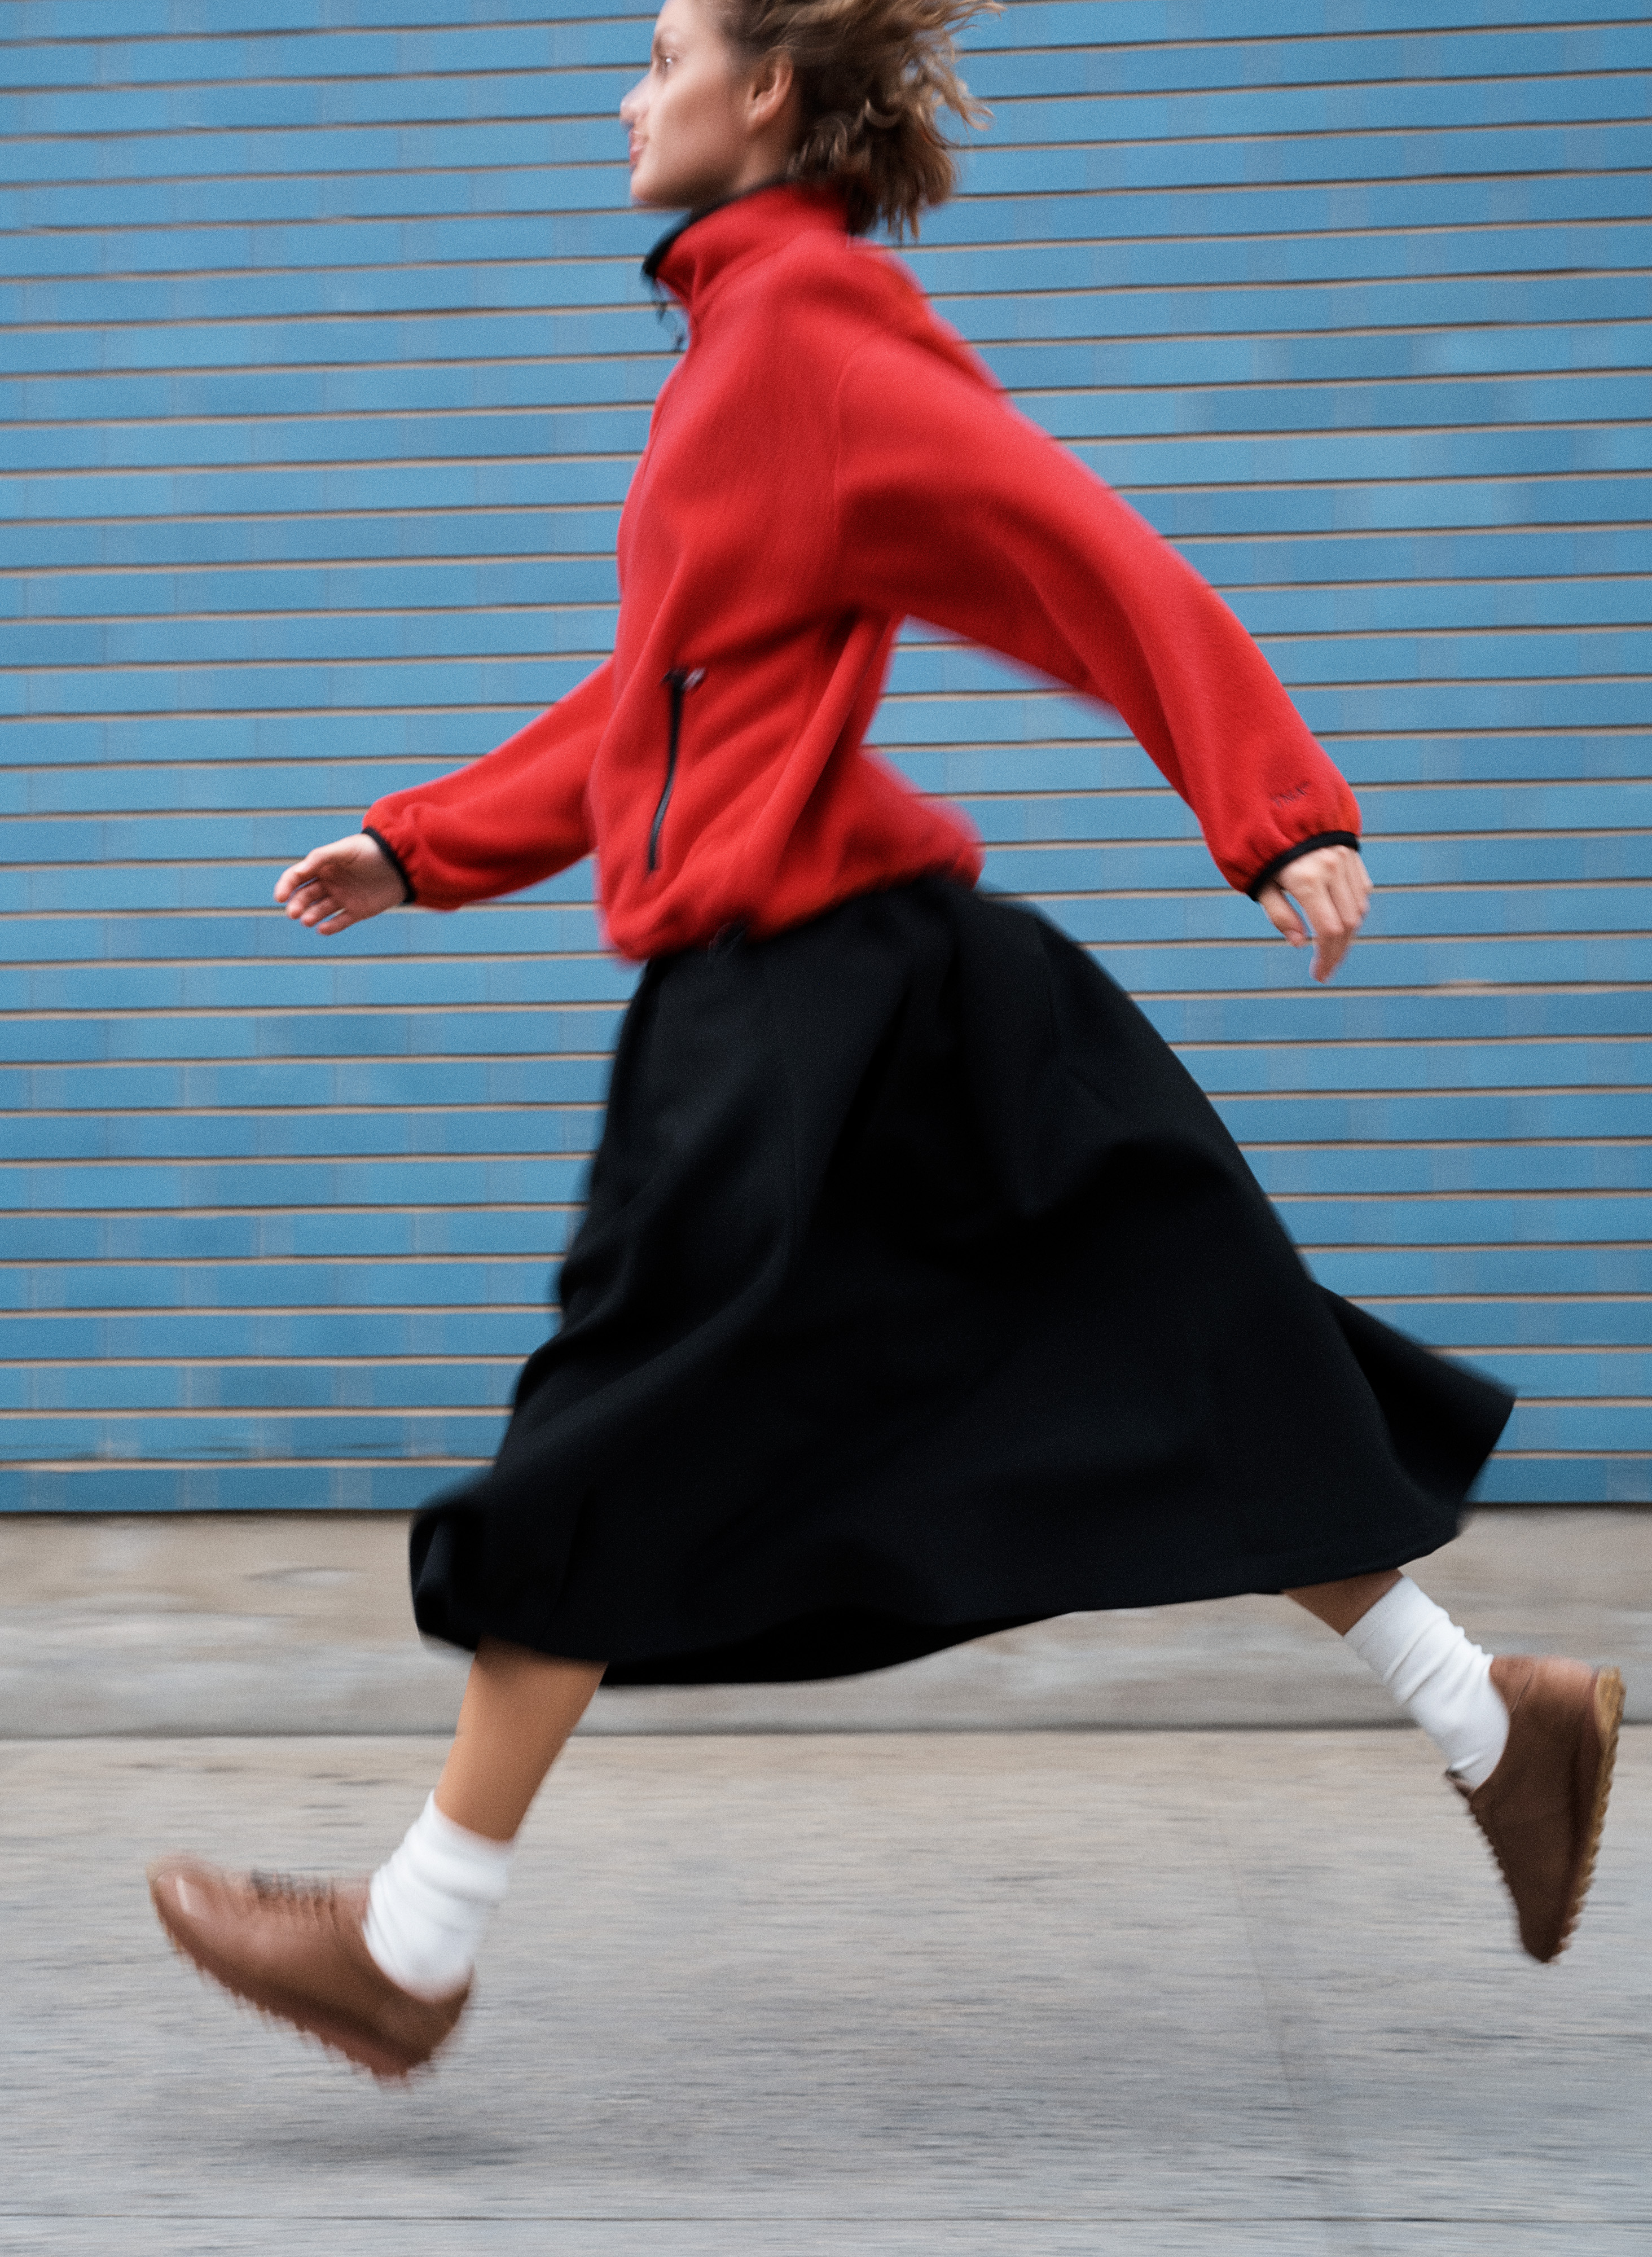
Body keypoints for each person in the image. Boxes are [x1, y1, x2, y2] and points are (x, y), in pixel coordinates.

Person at [150, 0, 1622, 2080]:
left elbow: (1069, 541)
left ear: (765, 92)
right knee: (1165, 1354)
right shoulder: (739, 347)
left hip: (805, 996)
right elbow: (664, 701)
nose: (628, 89)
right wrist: (428, 843)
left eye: (663, 49)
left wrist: (1274, 809)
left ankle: (414, 1941)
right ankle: (1497, 1724)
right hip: (863, 986)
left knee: (614, 1417)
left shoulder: (811, 337)